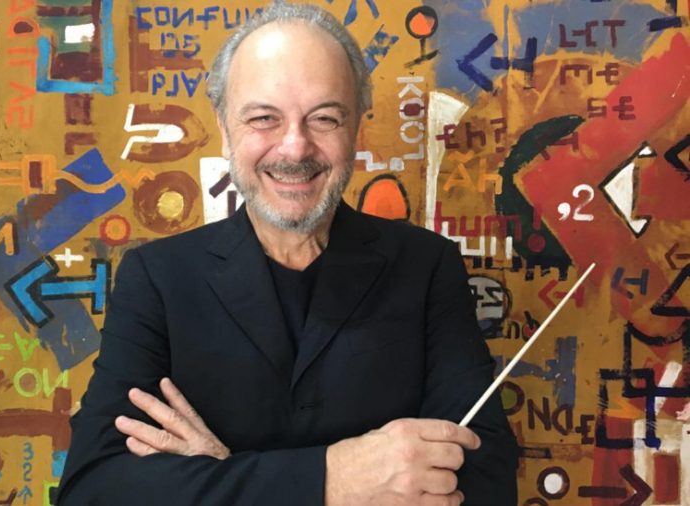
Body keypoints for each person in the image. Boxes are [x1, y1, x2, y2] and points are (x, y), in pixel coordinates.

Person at [56, 3, 519, 505]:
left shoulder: (428, 267)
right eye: (264, 118)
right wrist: (333, 480)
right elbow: (92, 489)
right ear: (224, 127)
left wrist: (221, 477)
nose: (295, 149)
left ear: (356, 129)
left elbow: (486, 481)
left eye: (324, 118)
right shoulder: (157, 278)